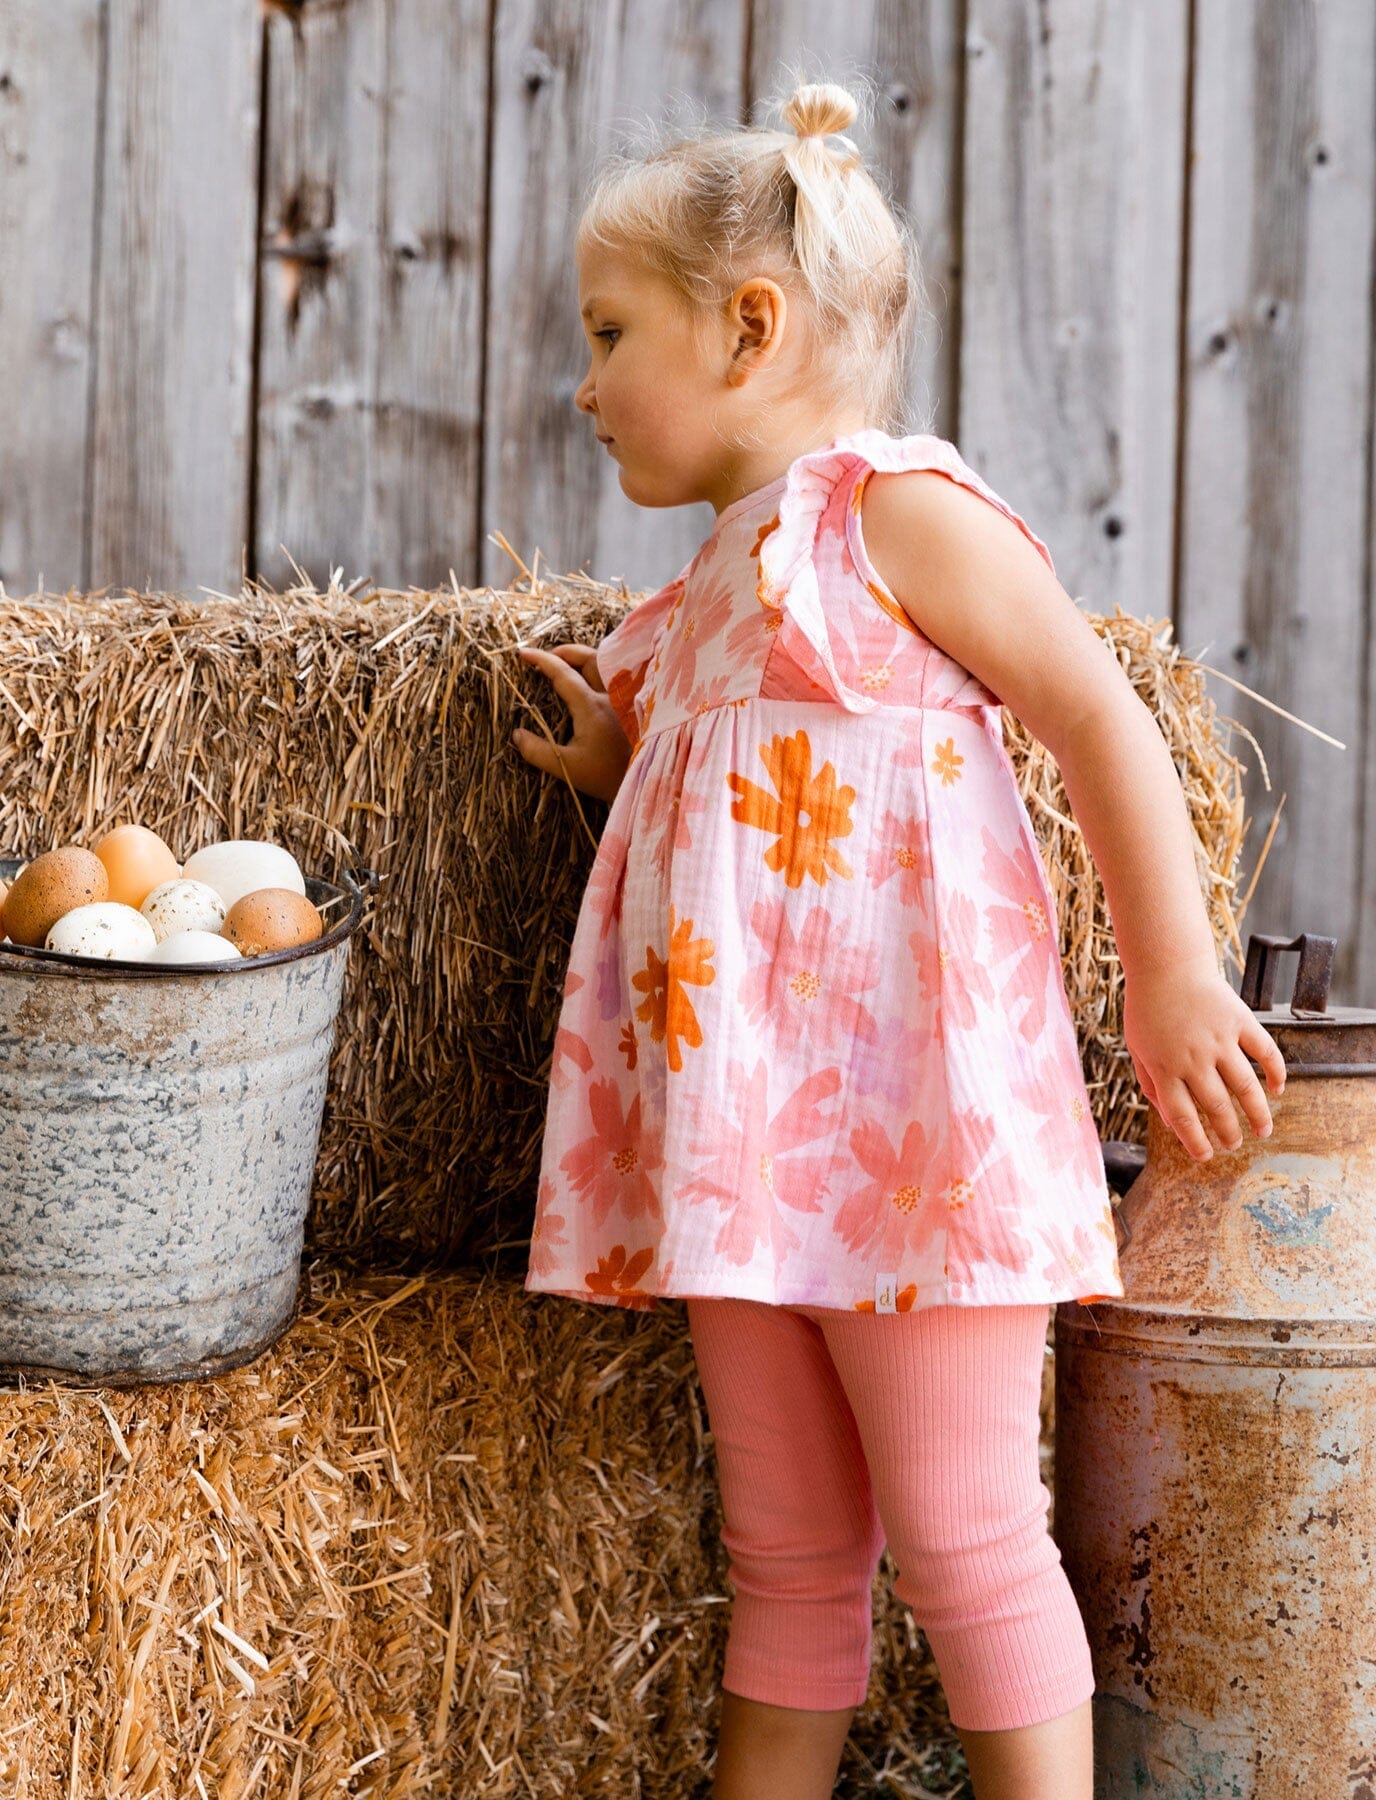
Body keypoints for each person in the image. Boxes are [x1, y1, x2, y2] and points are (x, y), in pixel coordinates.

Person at [510, 77, 1286, 1800]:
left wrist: (1171, 969)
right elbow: (760, 800)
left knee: (964, 1542)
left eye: (611, 329)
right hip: (744, 1146)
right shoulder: (717, 578)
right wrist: (628, 761)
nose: (583, 380)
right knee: (786, 1553)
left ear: (750, 328)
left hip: (911, 1137)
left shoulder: (889, 513)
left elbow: (1094, 717)